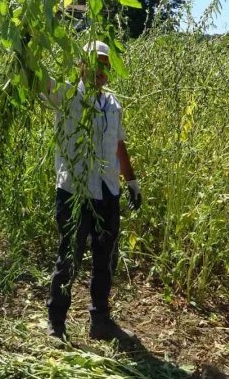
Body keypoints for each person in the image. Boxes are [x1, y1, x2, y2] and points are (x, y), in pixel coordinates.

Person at [42, 41, 143, 342]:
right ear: (81, 66)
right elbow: (36, 79)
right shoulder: (67, 96)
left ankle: (100, 321)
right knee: (69, 257)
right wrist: (26, 44)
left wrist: (132, 181)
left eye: (105, 65)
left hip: (108, 191)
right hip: (75, 192)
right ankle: (56, 323)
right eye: (93, 63)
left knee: (106, 258)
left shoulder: (113, 104)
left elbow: (118, 144)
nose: (100, 70)